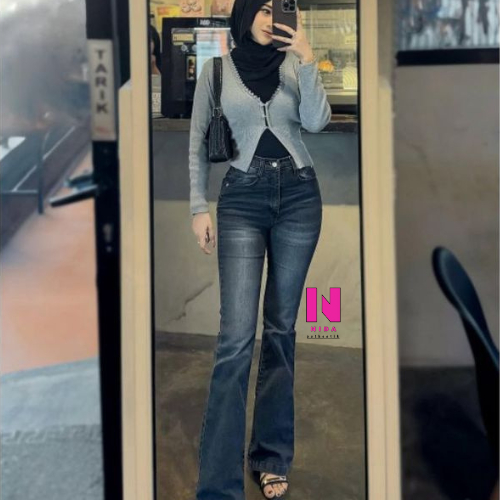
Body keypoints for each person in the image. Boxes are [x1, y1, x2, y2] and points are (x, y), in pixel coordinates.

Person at [189, 0, 331, 498]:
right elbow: (196, 142)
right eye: (264, 9)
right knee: (234, 339)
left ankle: (270, 455)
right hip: (242, 200)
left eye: (280, 10)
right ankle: (218, 483)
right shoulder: (216, 71)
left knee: (280, 331)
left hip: (299, 197)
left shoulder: (294, 64)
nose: (272, 20)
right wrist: (198, 207)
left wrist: (308, 58)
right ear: (246, 13)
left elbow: (317, 122)